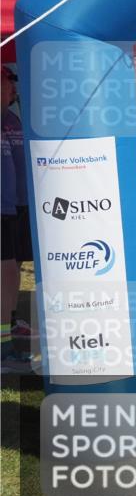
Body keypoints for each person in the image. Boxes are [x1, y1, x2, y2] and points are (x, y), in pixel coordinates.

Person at [1, 66, 32, 371]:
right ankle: (4, 346)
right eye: (7, 81)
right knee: (5, 273)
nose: (12, 87)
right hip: (3, 208)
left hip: (16, 205)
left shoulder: (10, 118)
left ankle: (9, 326)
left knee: (12, 270)